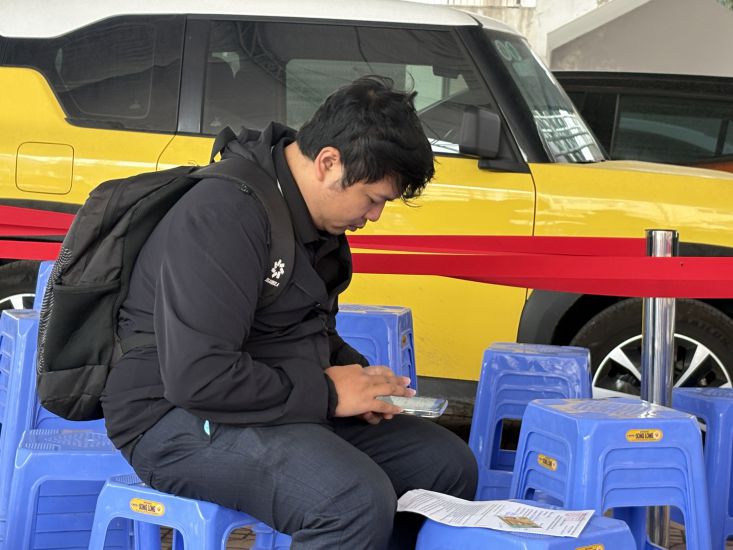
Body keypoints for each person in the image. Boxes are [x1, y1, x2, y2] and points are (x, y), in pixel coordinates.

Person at [101, 75, 477, 549]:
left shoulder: (316, 221)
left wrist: (361, 380)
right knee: (351, 500)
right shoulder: (223, 214)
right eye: (374, 198)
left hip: (271, 395)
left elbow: (306, 329)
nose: (375, 216)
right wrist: (326, 394)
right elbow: (198, 377)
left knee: (444, 465)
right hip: (171, 415)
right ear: (328, 162)